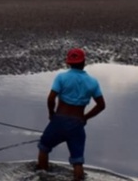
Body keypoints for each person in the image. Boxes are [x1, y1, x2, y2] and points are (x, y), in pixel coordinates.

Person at [37, 47, 106, 181]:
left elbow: (51, 99)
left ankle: (42, 175)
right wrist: (85, 117)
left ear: (68, 63)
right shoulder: (93, 82)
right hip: (77, 124)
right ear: (84, 62)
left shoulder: (61, 77)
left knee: (44, 148)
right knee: (77, 161)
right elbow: (101, 105)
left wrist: (51, 114)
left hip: (59, 121)